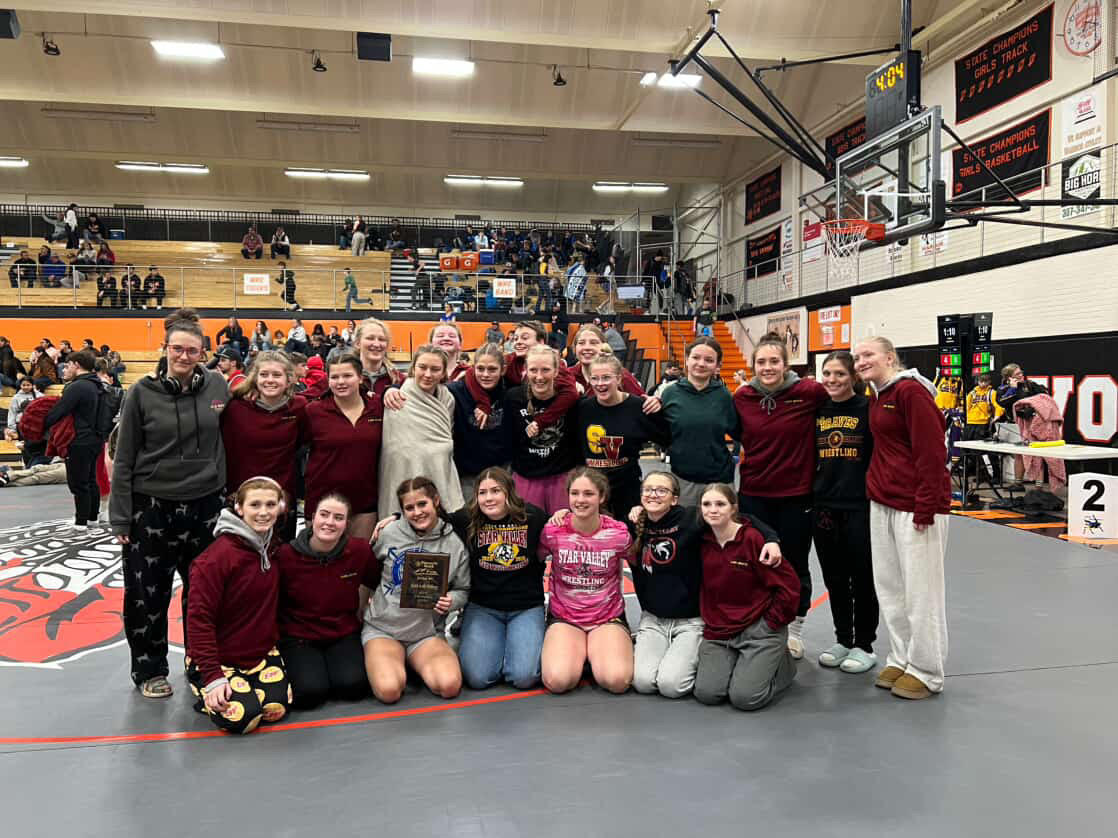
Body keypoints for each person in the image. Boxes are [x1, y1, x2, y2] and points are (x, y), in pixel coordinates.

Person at [110, 309, 230, 699]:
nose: (183, 356)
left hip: (206, 507)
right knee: (147, 594)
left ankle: (202, 665)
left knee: (205, 593)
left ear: (202, 352)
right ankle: (149, 669)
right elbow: (124, 457)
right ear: (165, 348)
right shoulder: (140, 392)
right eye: (177, 348)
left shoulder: (218, 386)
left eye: (192, 350)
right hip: (152, 508)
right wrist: (121, 518)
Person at [854, 337, 950, 700]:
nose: (861, 362)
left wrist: (926, 504)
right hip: (883, 501)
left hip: (916, 506)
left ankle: (927, 670)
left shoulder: (912, 392)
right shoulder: (878, 394)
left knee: (921, 591)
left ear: (890, 357)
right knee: (891, 587)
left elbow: (931, 452)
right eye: (857, 357)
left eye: (868, 355)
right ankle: (901, 656)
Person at [734, 332, 828, 660]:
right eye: (761, 362)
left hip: (796, 496)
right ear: (753, 365)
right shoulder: (742, 397)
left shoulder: (809, 392)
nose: (768, 367)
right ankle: (758, 623)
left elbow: (851, 397)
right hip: (753, 496)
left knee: (794, 564)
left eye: (774, 361)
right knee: (753, 563)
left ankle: (795, 630)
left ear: (786, 365)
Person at [185, 477, 291, 735]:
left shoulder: (273, 547)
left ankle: (243, 688)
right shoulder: (215, 559)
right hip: (218, 659)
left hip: (259, 653)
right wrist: (212, 677)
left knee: (275, 708)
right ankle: (204, 689)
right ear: (239, 509)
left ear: (280, 507)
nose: (264, 512)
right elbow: (199, 620)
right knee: (244, 719)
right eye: (255, 505)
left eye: (270, 504)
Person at [693, 484, 801, 711]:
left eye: (720, 504)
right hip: (719, 630)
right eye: (707, 504)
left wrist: (770, 624)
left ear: (734, 509)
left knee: (745, 698)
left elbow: (789, 587)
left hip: (758, 629)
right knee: (707, 693)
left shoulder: (754, 539)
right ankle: (745, 663)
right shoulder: (700, 540)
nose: (713, 510)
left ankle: (783, 665)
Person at [364, 477, 470, 703]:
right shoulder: (389, 533)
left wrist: (452, 599)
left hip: (425, 634)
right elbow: (367, 574)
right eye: (409, 508)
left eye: (422, 504)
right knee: (389, 690)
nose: (417, 512)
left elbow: (463, 589)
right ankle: (393, 664)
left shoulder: (454, 543)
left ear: (436, 501)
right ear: (401, 511)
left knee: (449, 685)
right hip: (385, 628)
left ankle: (412, 663)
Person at [445, 468, 547, 690]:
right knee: (478, 678)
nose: (488, 498)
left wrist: (562, 514)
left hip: (525, 607)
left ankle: (524, 639)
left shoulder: (533, 517)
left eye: (495, 491)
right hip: (484, 608)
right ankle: (475, 635)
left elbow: (563, 526)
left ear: (509, 492)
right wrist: (395, 518)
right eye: (482, 493)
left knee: (524, 677)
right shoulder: (467, 518)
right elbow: (432, 518)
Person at [276, 493, 381, 709]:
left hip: (342, 632)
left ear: (347, 524)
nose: (329, 522)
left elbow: (380, 580)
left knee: (354, 687)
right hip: (299, 636)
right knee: (310, 693)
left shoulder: (359, 551)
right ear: (313, 517)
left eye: (338, 517)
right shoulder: (285, 556)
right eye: (324, 515)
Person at [538, 467, 633, 694]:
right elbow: (533, 561)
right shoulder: (553, 530)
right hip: (565, 617)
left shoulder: (619, 534)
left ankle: (599, 653)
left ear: (601, 497)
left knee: (617, 680)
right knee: (557, 681)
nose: (581, 500)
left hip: (606, 618)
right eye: (575, 493)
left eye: (588, 494)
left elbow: (643, 565)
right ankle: (580, 653)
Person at [812, 350, 878, 674]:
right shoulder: (818, 410)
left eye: (839, 374)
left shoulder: (868, 409)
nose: (832, 380)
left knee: (862, 578)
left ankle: (864, 644)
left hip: (859, 506)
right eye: (827, 374)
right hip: (824, 506)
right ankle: (843, 638)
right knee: (835, 578)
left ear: (853, 377)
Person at [221, 350, 308, 541]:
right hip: (242, 499)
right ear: (255, 378)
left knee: (279, 559)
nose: (270, 380)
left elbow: (301, 444)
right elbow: (227, 451)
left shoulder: (299, 407)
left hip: (281, 499)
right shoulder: (236, 408)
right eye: (264, 374)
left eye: (277, 375)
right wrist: (233, 492)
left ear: (289, 379)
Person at [576, 353, 669, 519]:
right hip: (592, 488)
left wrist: (661, 405)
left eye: (606, 378)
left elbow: (668, 437)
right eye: (595, 378)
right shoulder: (582, 408)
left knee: (628, 536)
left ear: (619, 379)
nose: (600, 383)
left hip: (627, 487)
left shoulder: (639, 408)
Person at [304, 352, 384, 542]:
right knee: (321, 565)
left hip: (364, 504)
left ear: (360, 378)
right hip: (322, 504)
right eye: (335, 377)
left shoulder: (378, 407)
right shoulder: (313, 411)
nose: (341, 382)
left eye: (347, 376)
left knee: (359, 561)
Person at [378, 345, 463, 518]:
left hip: (440, 470)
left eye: (435, 369)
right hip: (403, 473)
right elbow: (396, 449)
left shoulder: (448, 399)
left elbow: (445, 437)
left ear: (443, 372)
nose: (428, 374)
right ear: (413, 368)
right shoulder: (397, 398)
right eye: (422, 367)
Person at [658, 338, 738, 507]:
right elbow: (660, 433)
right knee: (687, 530)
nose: (701, 364)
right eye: (696, 358)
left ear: (717, 366)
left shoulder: (724, 396)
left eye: (709, 360)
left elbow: (739, 431)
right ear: (686, 360)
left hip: (720, 480)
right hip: (683, 479)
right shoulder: (670, 393)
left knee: (722, 531)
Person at [504, 345, 580, 515]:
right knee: (529, 532)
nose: (539, 377)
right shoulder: (513, 397)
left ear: (555, 372)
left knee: (562, 533)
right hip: (526, 477)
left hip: (562, 477)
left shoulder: (570, 400)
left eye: (545, 370)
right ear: (526, 371)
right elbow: (509, 437)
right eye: (533, 370)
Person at [43, 350, 105, 532]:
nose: (66, 368)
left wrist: (40, 424)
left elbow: (59, 411)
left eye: (68, 365)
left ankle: (81, 522)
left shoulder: (77, 386)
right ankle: (92, 518)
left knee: (78, 483)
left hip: (79, 439)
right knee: (91, 480)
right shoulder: (97, 384)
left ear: (77, 365)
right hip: (95, 439)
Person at [448, 344, 510, 498]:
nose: (485, 374)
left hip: (502, 472)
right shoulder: (456, 391)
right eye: (480, 368)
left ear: (503, 370)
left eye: (492, 369)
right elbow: (425, 387)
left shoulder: (511, 391)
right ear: (473, 368)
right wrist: (393, 388)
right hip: (468, 475)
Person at [571, 325, 644, 396]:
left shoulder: (620, 374)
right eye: (581, 343)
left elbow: (643, 401)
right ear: (575, 348)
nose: (587, 347)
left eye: (593, 343)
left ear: (604, 346)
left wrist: (653, 401)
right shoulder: (567, 375)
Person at [353, 317, 402, 399]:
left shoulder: (400, 380)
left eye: (381, 339)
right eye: (370, 338)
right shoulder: (344, 378)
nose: (376, 344)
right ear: (358, 343)